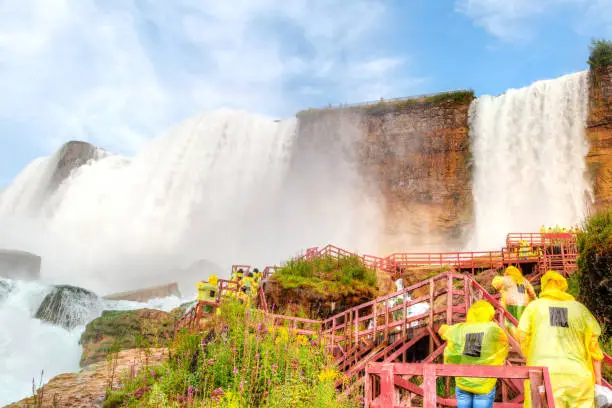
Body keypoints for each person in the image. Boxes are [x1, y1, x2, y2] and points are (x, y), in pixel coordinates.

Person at [518, 271, 603, 408]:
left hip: (544, 375)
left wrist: (532, 354)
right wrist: (598, 379)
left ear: (544, 285)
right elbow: (594, 346)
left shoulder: (534, 307)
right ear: (564, 286)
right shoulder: (580, 309)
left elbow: (522, 335)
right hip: (578, 376)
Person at [439, 300, 510, 408]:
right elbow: (504, 343)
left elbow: (442, 330)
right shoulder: (492, 329)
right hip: (484, 383)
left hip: (463, 382)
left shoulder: (461, 329)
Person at [491, 266, 536, 338]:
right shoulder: (524, 280)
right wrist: (535, 300)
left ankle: (515, 342)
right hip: (524, 304)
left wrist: (504, 277)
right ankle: (523, 340)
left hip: (511, 304)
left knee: (510, 324)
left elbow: (495, 282)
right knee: (521, 323)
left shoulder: (506, 279)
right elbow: (532, 293)